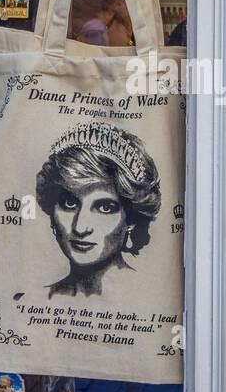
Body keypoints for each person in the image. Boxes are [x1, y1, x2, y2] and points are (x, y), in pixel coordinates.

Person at [35, 123, 161, 298]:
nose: (80, 227)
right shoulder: (29, 300)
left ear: (131, 219)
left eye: (104, 208)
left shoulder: (157, 299)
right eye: (70, 204)